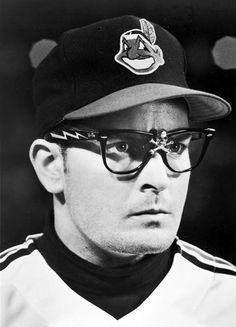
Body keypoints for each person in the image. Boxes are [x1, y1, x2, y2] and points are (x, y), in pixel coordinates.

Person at [1, 15, 235, 327]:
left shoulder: (227, 299)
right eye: (123, 147)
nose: (157, 178)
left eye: (176, 146)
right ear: (51, 165)